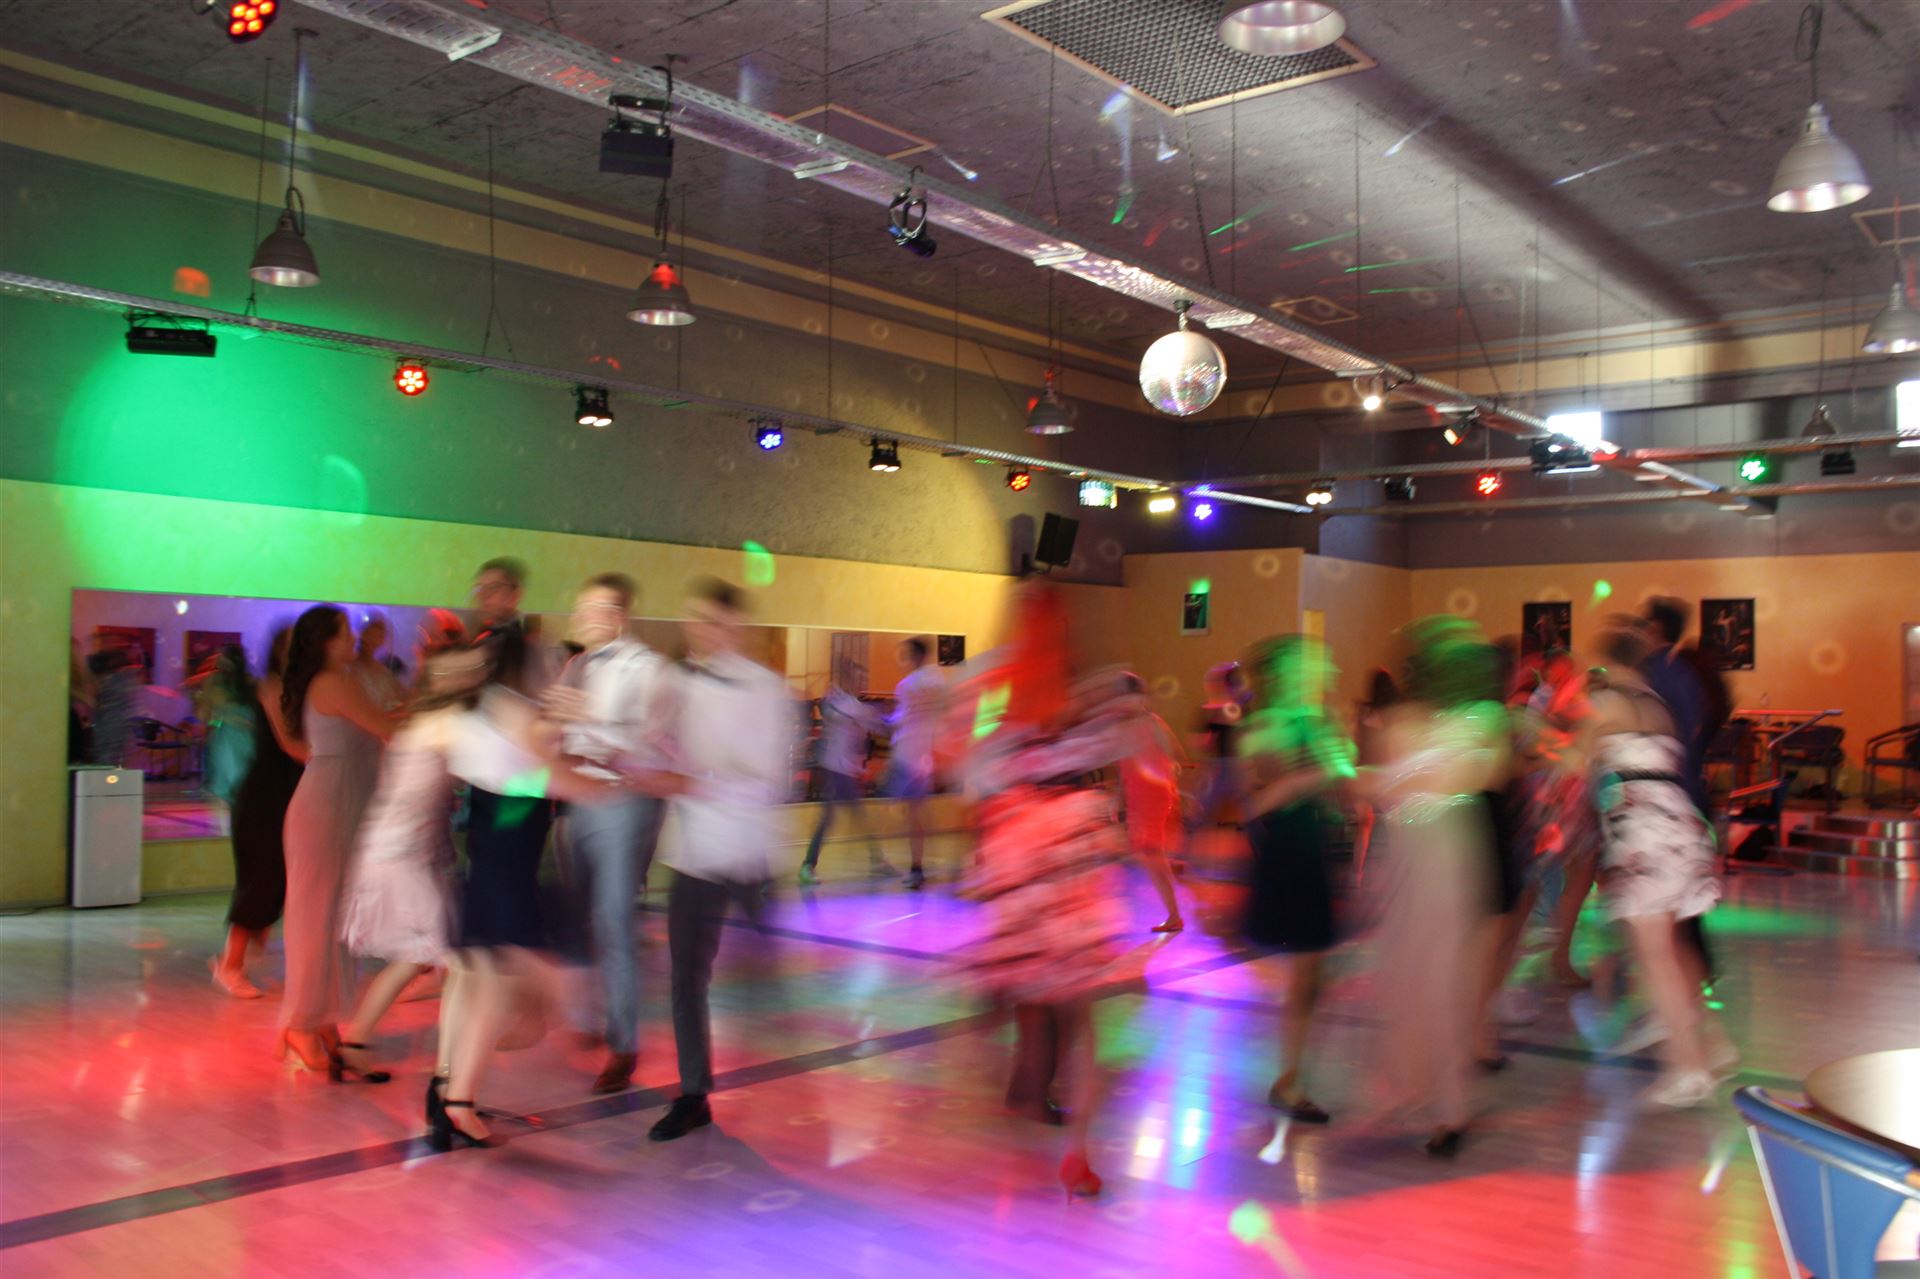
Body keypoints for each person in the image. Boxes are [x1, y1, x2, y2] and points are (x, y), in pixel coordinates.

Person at [426, 660, 656, 1150]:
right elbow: (569, 782)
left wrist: (570, 734)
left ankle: (446, 1092)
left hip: (483, 882)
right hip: (505, 890)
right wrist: (623, 775)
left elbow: (548, 760)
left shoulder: (488, 741)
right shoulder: (518, 758)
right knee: (499, 999)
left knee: (474, 991)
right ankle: (459, 1104)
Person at [953, 585, 1136, 1196]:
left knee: (1038, 1003)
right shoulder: (1073, 700)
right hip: (1064, 874)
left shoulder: (1002, 696)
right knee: (1073, 1017)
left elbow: (970, 767)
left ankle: (1032, 1097)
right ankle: (1070, 1142)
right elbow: (1120, 732)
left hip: (1034, 872)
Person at [648, 579, 793, 1142]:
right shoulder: (676, 682)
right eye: (693, 618)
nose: (699, 630)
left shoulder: (767, 691)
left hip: (749, 852)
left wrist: (693, 777)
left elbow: (768, 781)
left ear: (735, 626)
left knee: (767, 980)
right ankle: (693, 1094)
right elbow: (653, 747)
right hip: (693, 853)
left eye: (711, 620)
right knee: (686, 978)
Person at [1357, 618, 1508, 1156]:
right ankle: (1415, 1090)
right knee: (1408, 974)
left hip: (1444, 856)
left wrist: (1390, 780)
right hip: (1413, 851)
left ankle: (1448, 1107)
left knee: (1441, 979)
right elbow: (1390, 790)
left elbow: (1477, 775)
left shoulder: (1479, 720)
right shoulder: (1409, 720)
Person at [1580, 619, 1730, 1109]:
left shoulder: (1607, 703)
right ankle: (1712, 1044)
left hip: (1644, 834)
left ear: (1609, 662)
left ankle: (1688, 1070)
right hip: (1680, 826)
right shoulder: (1655, 704)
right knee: (1677, 946)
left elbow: (1573, 764)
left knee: (1655, 954)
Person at [541, 572, 674, 1095]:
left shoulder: (648, 669)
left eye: (592, 609)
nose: (581, 618)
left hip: (623, 801)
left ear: (618, 616)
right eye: (580, 609)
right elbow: (556, 732)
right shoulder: (576, 666)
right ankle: (585, 1019)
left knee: (613, 918)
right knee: (576, 914)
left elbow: (647, 745)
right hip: (576, 799)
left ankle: (623, 1043)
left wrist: (588, 720)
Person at [336, 645, 488, 1079]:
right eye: (453, 671)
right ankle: (451, 1072)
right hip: (400, 856)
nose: (463, 676)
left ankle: (356, 1043)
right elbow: (497, 768)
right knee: (453, 957)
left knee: (414, 956)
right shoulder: (445, 723)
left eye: (468, 669)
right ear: (435, 679)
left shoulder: (423, 720)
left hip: (398, 851)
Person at [277, 606, 398, 1077]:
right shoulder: (333, 682)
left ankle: (320, 1018)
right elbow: (388, 728)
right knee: (316, 919)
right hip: (325, 811)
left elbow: (384, 720)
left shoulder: (342, 680)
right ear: (327, 641)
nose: (356, 638)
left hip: (340, 808)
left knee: (334, 920)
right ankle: (301, 1024)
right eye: (347, 632)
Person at [1237, 636, 1354, 1122]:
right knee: (1306, 976)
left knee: (1312, 977)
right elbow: (1258, 800)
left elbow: (1342, 782)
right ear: (1281, 672)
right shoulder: (1266, 725)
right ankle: (1289, 1081)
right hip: (1288, 851)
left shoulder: (1308, 721)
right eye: (1304, 664)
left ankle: (1290, 1075)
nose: (1315, 670)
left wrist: (1333, 764)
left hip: (1311, 848)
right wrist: (1318, 774)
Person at [212, 627, 304, 999]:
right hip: (264, 797)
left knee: (276, 881)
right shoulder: (272, 686)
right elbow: (291, 745)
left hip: (285, 794)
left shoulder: (298, 687)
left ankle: (241, 955)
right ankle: (230, 965)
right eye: (293, 645)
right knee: (262, 882)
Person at [1117, 673, 1189, 933]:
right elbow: (1123, 769)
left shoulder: (1152, 722)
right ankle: (1173, 913)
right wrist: (1118, 799)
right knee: (1148, 855)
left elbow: (1175, 753)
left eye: (1130, 697)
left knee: (1151, 853)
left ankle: (1174, 914)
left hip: (1155, 796)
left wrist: (1171, 769)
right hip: (1137, 796)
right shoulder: (1122, 728)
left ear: (1141, 697)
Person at [799, 680, 891, 884]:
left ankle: (877, 860)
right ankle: (808, 866)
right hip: (838, 771)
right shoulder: (847, 706)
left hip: (840, 771)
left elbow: (873, 723)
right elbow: (878, 723)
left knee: (850, 818)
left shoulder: (843, 704)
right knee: (835, 819)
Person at [885, 638, 947, 890]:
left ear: (915, 656)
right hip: (925, 756)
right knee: (917, 813)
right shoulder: (940, 682)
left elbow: (900, 719)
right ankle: (917, 866)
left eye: (905, 656)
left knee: (908, 814)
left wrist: (880, 718)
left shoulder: (906, 685)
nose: (903, 661)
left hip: (906, 756)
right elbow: (943, 715)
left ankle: (915, 868)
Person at [1188, 661, 1250, 835]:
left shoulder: (1239, 707)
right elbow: (1198, 743)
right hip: (1219, 766)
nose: (1212, 685)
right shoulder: (1208, 710)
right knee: (1205, 808)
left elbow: (1247, 736)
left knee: (1247, 808)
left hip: (1235, 765)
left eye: (1217, 680)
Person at [471, 557, 546, 697]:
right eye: (480, 588)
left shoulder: (525, 646)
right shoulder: (477, 636)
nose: (484, 595)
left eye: (493, 588)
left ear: (514, 595)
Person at [194, 645, 258, 809]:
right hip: (249, 738)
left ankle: (229, 823)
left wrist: (214, 721)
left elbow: (204, 715)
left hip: (226, 738)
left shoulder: (214, 682)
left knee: (226, 790)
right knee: (243, 788)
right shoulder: (251, 682)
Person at [352, 613, 405, 712]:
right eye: (370, 633)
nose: (373, 638)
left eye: (379, 635)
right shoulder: (350, 667)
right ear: (362, 634)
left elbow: (401, 694)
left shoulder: (382, 670)